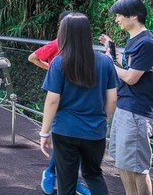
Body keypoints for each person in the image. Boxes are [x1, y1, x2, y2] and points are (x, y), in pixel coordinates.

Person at [40, 13, 118, 195]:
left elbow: (52, 100)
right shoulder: (105, 61)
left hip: (65, 130)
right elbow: (113, 98)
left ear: (64, 33)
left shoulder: (59, 62)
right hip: (95, 131)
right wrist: (103, 119)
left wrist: (44, 132)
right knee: (93, 174)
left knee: (66, 180)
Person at [100, 0, 153, 195]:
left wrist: (107, 63)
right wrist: (113, 52)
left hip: (138, 111)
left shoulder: (146, 42)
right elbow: (129, 66)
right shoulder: (135, 40)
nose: (117, 19)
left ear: (133, 16)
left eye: (119, 15)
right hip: (127, 107)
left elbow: (131, 77)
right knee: (123, 163)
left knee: (137, 168)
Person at [29, 12, 91, 195]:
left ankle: (64, 177)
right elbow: (32, 57)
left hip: (76, 98)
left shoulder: (82, 49)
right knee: (64, 140)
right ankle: (50, 174)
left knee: (73, 141)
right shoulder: (57, 44)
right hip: (60, 97)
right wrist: (51, 69)